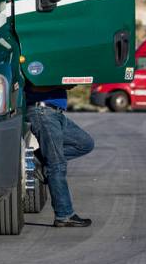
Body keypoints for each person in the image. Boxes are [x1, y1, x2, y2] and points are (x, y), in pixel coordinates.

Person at [26, 85, 95, 227]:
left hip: (56, 113)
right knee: (56, 165)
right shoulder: (36, 63)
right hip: (43, 112)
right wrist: (62, 83)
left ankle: (37, 160)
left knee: (85, 143)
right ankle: (64, 215)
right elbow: (35, 85)